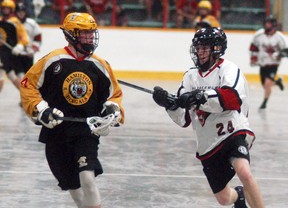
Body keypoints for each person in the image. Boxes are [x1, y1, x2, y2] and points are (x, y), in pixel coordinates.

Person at [19, 12, 124, 208]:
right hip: (56, 132)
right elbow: (27, 85)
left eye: (91, 33)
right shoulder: (52, 60)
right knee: (75, 190)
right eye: (84, 33)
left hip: (86, 132)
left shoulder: (99, 65)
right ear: (71, 35)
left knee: (87, 179)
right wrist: (41, 109)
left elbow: (114, 94)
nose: (90, 37)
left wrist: (112, 110)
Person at [152, 27, 265, 208]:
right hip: (208, 143)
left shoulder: (228, 69)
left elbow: (232, 98)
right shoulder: (190, 76)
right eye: (198, 48)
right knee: (224, 199)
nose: (200, 52)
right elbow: (184, 118)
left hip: (231, 132)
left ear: (217, 49)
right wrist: (169, 103)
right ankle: (239, 197)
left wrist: (201, 97)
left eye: (205, 48)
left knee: (245, 173)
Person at [249, 15, 287, 109]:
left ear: (273, 24)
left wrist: (278, 54)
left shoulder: (280, 37)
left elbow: (286, 51)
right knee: (265, 84)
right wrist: (253, 57)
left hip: (273, 64)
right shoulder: (259, 35)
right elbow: (253, 47)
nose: (267, 25)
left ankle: (264, 102)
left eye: (269, 23)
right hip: (262, 63)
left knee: (267, 83)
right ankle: (277, 82)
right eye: (266, 23)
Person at [0, 0, 29, 92]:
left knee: (16, 75)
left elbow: (24, 37)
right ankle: (26, 94)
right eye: (3, 8)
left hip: (12, 54)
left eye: (7, 8)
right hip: (2, 54)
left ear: (12, 10)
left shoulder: (15, 22)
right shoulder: (0, 21)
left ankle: (26, 94)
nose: (5, 10)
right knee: (6, 75)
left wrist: (19, 46)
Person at [15, 2, 42, 76]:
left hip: (28, 55)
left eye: (22, 11)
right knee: (20, 77)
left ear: (25, 12)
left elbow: (38, 38)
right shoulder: (13, 23)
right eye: (19, 11)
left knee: (28, 77)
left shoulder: (32, 23)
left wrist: (33, 49)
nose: (21, 13)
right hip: (17, 54)